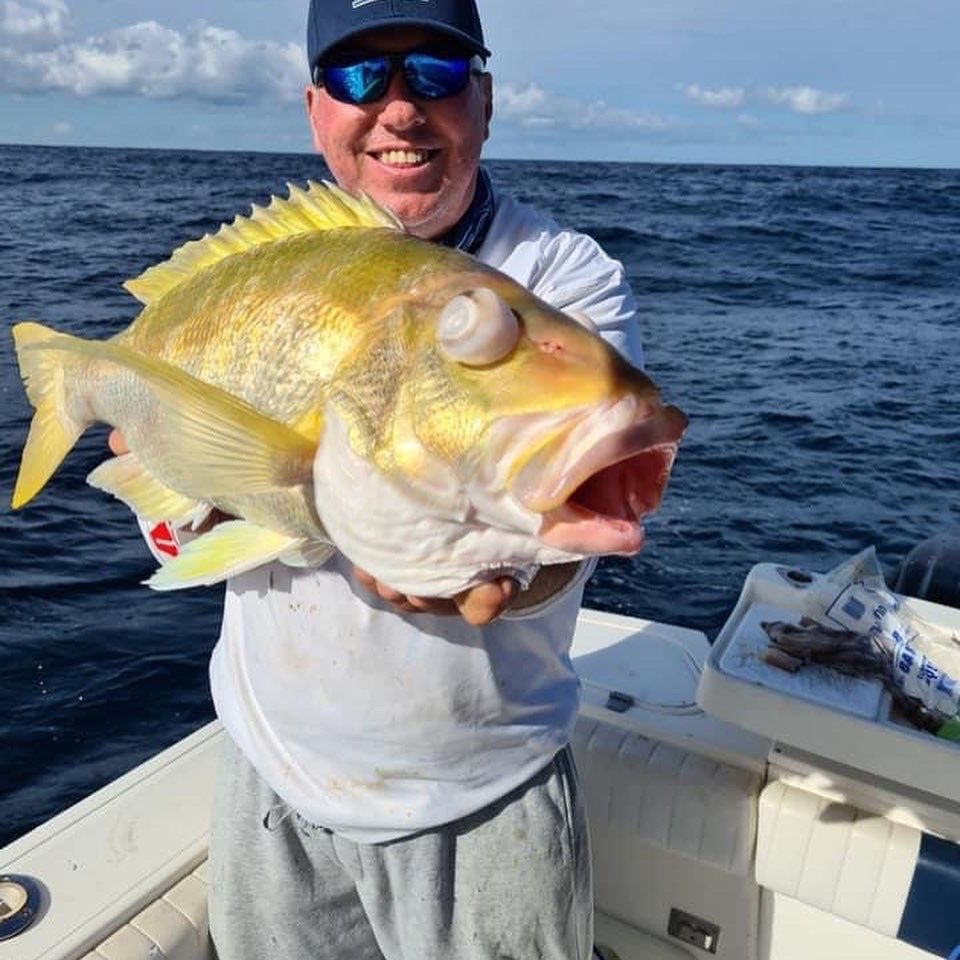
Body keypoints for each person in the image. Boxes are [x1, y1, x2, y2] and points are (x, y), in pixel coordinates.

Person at [113, 1, 643, 957]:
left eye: (436, 71)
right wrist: (174, 481)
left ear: (485, 99)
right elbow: (183, 523)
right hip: (268, 777)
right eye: (359, 76)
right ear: (316, 108)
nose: (399, 108)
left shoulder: (561, 280)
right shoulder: (256, 281)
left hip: (483, 796)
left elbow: (571, 509)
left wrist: (516, 570)